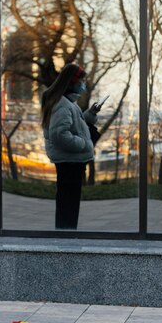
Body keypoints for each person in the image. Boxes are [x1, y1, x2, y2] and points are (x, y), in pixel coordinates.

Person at [42, 64, 99, 229]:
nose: (83, 84)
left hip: (71, 161)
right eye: (81, 81)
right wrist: (83, 144)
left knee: (69, 204)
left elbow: (75, 125)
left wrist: (91, 114)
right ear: (71, 82)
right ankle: (65, 236)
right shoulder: (62, 104)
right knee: (68, 205)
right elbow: (60, 135)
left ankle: (66, 235)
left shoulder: (67, 103)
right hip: (69, 162)